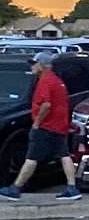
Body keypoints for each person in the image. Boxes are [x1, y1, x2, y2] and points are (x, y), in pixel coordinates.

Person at [0, 53, 82, 201]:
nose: (32, 66)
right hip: (59, 126)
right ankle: (72, 188)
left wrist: (37, 123)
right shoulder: (58, 82)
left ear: (42, 65)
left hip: (46, 127)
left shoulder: (45, 81)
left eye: (34, 63)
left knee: (31, 157)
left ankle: (15, 188)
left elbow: (46, 104)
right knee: (64, 156)